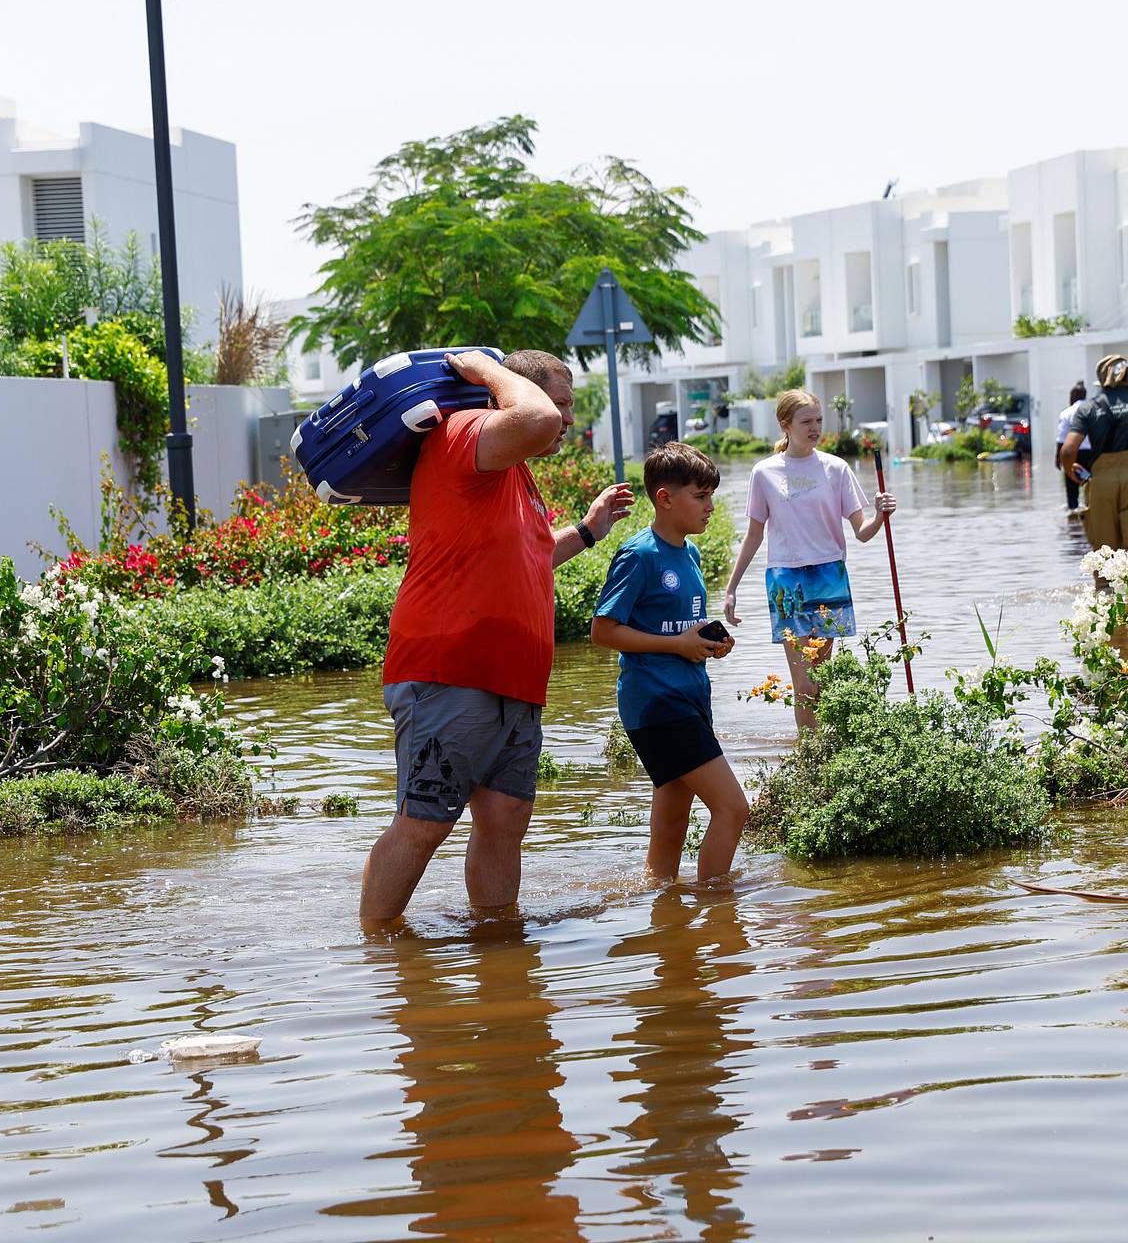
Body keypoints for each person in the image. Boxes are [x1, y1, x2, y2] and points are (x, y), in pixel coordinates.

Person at [360, 349, 634, 922]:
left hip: (513, 681)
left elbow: (530, 558)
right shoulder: (463, 435)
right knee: (425, 822)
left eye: (568, 407)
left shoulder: (512, 474)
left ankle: (496, 945)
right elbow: (532, 419)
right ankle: (379, 959)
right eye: (558, 403)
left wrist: (589, 529)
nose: (563, 420)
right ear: (508, 393)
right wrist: (479, 367)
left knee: (505, 822)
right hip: (451, 672)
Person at [591, 442, 748, 884]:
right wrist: (677, 644)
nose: (711, 507)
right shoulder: (639, 555)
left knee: (672, 824)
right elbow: (602, 631)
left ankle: (669, 922)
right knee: (734, 808)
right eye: (701, 497)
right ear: (665, 498)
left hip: (690, 696)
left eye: (711, 496)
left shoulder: (691, 554)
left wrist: (708, 642)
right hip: (657, 703)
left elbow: (682, 629)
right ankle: (717, 909)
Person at [722, 389, 898, 733]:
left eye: (819, 420)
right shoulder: (764, 472)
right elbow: (754, 536)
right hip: (786, 581)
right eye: (807, 421)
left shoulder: (836, 468)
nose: (815, 427)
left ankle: (825, 755)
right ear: (786, 425)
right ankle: (808, 755)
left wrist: (879, 514)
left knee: (824, 679)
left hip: (829, 574)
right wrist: (731, 588)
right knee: (804, 684)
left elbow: (861, 532)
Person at [1061, 354, 1128, 554]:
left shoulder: (1088, 408)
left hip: (1102, 483)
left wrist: (1071, 472)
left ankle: (1105, 585)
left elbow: (1068, 451)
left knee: (1105, 552)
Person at [1055, 381, 1092, 512]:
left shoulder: (1066, 413)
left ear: (1075, 395)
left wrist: (1058, 458)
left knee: (1071, 488)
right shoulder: (1093, 410)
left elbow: (1061, 439)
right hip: (1091, 454)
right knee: (1091, 485)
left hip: (1073, 454)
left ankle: (1073, 518)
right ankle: (1090, 512)